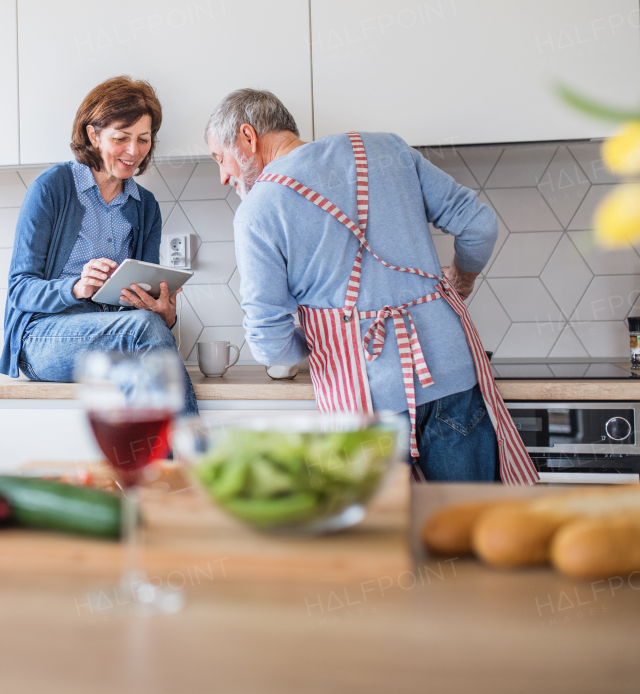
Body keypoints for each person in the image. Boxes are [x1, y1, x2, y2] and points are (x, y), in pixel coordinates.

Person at [204, 88, 535, 482]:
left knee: (378, 541)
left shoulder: (256, 212)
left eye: (220, 158)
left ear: (247, 136)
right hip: (449, 375)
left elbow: (268, 343)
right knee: (466, 530)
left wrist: (326, 345)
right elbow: (479, 225)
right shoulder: (386, 148)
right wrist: (462, 280)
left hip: (361, 401)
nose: (224, 176)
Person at [0, 76, 198, 414]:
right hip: (43, 338)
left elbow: (142, 308)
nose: (133, 151)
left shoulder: (145, 205)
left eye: (143, 139)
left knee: (146, 326)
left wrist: (162, 314)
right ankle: (190, 461)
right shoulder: (52, 188)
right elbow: (20, 290)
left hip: (119, 338)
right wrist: (76, 287)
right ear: (93, 135)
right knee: (142, 331)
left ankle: (158, 463)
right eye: (121, 138)